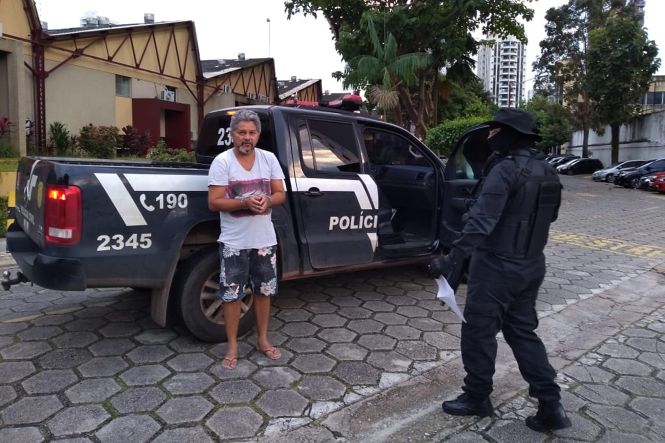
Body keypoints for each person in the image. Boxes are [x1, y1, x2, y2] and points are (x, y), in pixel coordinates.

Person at [429, 108, 571, 432]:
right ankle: (551, 404)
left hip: (496, 267)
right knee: (522, 331)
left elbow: (481, 223)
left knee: (478, 332)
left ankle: (477, 397)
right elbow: (551, 218)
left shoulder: (505, 170)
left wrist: (451, 259)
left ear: (508, 135)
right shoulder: (547, 171)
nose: (490, 136)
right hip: (532, 265)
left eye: (494, 131)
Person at [208, 109, 286, 370]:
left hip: (264, 240)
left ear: (258, 135)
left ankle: (263, 339)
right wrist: (243, 201)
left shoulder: (269, 158)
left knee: (264, 292)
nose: (247, 137)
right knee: (231, 295)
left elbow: (280, 194)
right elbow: (214, 201)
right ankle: (232, 346)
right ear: (232, 135)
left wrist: (267, 199)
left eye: (252, 133)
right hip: (233, 242)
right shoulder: (222, 162)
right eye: (241, 132)